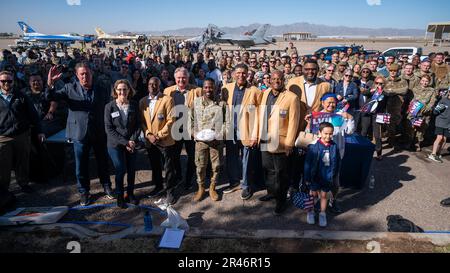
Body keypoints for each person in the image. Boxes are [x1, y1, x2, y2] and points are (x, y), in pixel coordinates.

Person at [47, 63, 113, 206]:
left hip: (99, 131)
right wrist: (51, 85)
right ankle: (84, 191)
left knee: (103, 161)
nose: (85, 76)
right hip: (79, 133)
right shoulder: (69, 88)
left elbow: (108, 107)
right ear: (77, 75)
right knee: (81, 165)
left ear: (91, 73)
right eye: (82, 74)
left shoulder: (102, 87)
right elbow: (53, 97)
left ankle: (106, 185)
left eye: (87, 73)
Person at [257, 70, 301, 215]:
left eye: (279, 79)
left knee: (281, 174)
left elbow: (294, 123)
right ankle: (271, 192)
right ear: (269, 80)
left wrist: (289, 143)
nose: (276, 81)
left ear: (284, 80)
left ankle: (281, 200)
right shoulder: (264, 94)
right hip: (265, 138)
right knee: (267, 168)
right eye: (274, 79)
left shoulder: (292, 98)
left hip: (281, 142)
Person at [0, 70, 45, 199]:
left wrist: (40, 131)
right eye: (3, 81)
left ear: (13, 81)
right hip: (3, 136)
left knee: (23, 161)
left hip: (21, 134)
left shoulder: (21, 96)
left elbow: (33, 115)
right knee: (4, 164)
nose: (6, 83)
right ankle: (4, 189)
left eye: (9, 81)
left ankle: (24, 183)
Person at [222, 63, 263, 200]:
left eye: (244, 73)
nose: (241, 75)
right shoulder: (225, 89)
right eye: (238, 73)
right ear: (233, 74)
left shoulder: (255, 91)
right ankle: (234, 182)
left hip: (247, 130)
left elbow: (259, 114)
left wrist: (255, 135)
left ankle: (246, 186)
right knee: (232, 158)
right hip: (231, 130)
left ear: (248, 74)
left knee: (247, 160)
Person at [140, 77, 178, 205]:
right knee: (155, 166)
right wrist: (148, 134)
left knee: (168, 168)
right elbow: (142, 122)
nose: (152, 86)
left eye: (155, 84)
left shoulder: (167, 99)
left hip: (165, 140)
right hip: (150, 141)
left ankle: (170, 191)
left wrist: (158, 135)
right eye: (150, 84)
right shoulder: (143, 101)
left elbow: (171, 120)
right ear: (147, 86)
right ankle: (158, 186)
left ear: (159, 86)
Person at [189, 78, 227, 202]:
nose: (208, 89)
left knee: (216, 167)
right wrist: (194, 134)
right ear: (202, 88)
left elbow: (228, 123)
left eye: (210, 87)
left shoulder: (222, 104)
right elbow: (190, 120)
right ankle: (201, 188)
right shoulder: (196, 102)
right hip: (200, 142)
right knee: (200, 166)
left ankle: (212, 187)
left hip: (216, 142)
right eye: (205, 87)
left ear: (215, 88)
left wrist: (220, 135)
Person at [105, 80, 141, 208]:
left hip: (131, 142)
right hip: (115, 144)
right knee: (120, 169)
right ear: (115, 91)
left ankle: (130, 194)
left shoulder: (134, 105)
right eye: (119, 89)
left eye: (125, 89)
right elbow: (109, 129)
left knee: (131, 170)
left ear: (129, 90)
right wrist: (126, 142)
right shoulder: (109, 107)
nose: (122, 92)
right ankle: (120, 195)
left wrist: (132, 141)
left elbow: (138, 125)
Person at [164, 67, 202, 189]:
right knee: (175, 156)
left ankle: (189, 180)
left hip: (190, 130)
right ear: (175, 78)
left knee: (192, 157)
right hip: (174, 129)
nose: (181, 80)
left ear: (188, 77)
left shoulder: (196, 91)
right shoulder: (167, 91)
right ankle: (178, 176)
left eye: (184, 77)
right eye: (179, 77)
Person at [304, 122, 340, 227]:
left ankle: (322, 213)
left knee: (324, 195)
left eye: (330, 134)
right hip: (315, 176)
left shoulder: (334, 146)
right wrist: (307, 177)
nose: (328, 136)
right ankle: (310, 212)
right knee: (313, 194)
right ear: (319, 133)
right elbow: (307, 163)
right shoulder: (313, 147)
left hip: (327, 176)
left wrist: (335, 174)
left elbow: (337, 161)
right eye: (325, 133)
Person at [406, 75, 437, 152]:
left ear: (429, 82)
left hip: (424, 114)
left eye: (426, 81)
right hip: (414, 112)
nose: (424, 82)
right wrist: (411, 107)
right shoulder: (415, 89)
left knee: (421, 129)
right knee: (411, 128)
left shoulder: (432, 90)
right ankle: (410, 142)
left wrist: (426, 109)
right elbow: (411, 99)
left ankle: (417, 144)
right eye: (423, 80)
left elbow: (432, 102)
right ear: (420, 81)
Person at [384, 64, 409, 149]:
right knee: (385, 123)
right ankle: (386, 138)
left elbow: (404, 90)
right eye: (391, 71)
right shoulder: (385, 80)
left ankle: (392, 141)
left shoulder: (402, 81)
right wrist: (390, 92)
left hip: (397, 106)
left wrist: (391, 91)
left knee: (394, 123)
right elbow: (383, 90)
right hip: (386, 105)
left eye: (395, 71)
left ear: (398, 71)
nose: (393, 72)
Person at [429, 89, 450, 163]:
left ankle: (438, 153)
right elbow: (435, 112)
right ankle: (433, 154)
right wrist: (438, 109)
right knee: (440, 137)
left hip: (448, 123)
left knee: (444, 139)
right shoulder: (443, 100)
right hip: (440, 121)